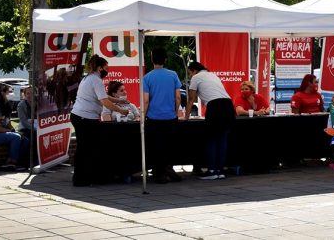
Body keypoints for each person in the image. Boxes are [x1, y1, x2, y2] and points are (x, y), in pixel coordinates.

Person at [70, 55, 132, 186]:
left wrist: (118, 100)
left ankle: (81, 177)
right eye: (106, 68)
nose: (107, 70)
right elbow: (104, 101)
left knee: (84, 147)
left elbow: (104, 96)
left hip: (81, 116)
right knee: (86, 148)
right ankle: (82, 179)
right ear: (99, 68)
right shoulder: (96, 80)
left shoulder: (89, 78)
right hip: (85, 118)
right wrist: (121, 110)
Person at [186, 61, 234, 180]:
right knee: (222, 140)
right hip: (228, 105)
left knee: (211, 139)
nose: (190, 76)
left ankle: (212, 170)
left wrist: (186, 117)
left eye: (189, 73)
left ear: (194, 70)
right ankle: (220, 170)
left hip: (215, 107)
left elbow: (191, 98)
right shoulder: (212, 75)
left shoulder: (196, 77)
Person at [142, 47, 183, 184]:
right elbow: (178, 97)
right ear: (165, 59)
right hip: (170, 117)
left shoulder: (147, 77)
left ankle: (159, 173)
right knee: (170, 145)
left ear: (152, 60)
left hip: (154, 118)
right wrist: (175, 111)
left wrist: (143, 115)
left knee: (156, 146)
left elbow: (146, 100)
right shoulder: (173, 75)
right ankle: (169, 168)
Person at [0, 83, 28, 170]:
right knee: (16, 137)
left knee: (25, 140)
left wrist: (14, 130)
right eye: (10, 91)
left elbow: (7, 122)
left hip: (0, 132)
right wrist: (11, 132)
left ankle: (18, 162)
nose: (12, 94)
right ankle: (11, 162)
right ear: (2, 93)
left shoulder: (5, 106)